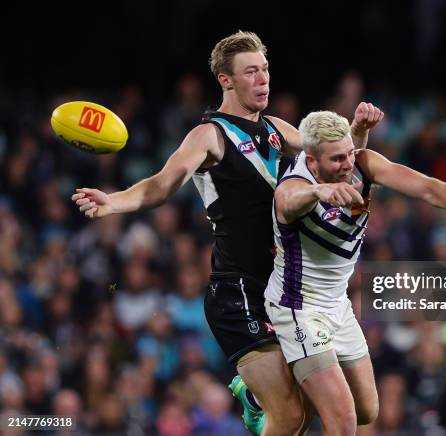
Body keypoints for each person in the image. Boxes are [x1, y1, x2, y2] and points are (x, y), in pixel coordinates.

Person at [71, 31, 383, 435]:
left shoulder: (276, 129)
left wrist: (358, 130)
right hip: (239, 292)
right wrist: (113, 202)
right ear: (225, 79)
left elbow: (339, 160)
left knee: (355, 411)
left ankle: (253, 394)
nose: (263, 79)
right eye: (251, 72)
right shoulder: (210, 135)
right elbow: (163, 185)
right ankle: (257, 393)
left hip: (286, 288)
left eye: (266, 70)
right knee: (290, 417)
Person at [265, 110, 446, 435]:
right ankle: (274, 396)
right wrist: (319, 192)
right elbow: (286, 200)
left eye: (349, 153)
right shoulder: (295, 184)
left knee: (366, 410)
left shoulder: (362, 163)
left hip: (339, 306)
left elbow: (427, 188)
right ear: (312, 161)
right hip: (299, 308)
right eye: (337, 159)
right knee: (343, 420)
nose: (348, 164)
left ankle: (275, 396)